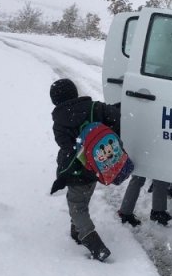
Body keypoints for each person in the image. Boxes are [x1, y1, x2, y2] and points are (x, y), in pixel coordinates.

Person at [49, 78, 120, 262]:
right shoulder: (95, 108)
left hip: (77, 171)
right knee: (83, 198)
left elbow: (66, 147)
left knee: (77, 206)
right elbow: (115, 115)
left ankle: (95, 244)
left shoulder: (59, 123)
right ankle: (76, 231)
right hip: (96, 166)